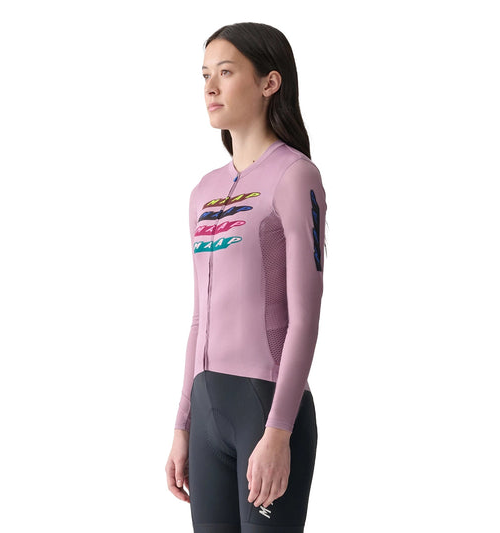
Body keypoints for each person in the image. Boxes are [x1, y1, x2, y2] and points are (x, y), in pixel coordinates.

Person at [165, 22, 327, 533]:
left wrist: (278, 431)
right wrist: (182, 424)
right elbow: (199, 318)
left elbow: (304, 319)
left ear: (269, 83)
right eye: (205, 75)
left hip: (266, 409)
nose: (210, 87)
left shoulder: (294, 176)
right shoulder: (203, 191)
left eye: (226, 72)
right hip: (207, 412)